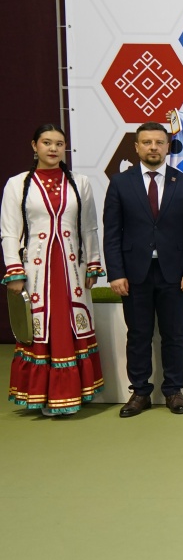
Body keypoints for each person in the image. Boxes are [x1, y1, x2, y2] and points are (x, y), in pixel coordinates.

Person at [2, 124, 105, 416]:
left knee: (72, 324)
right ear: (34, 146)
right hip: (36, 272)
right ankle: (44, 395)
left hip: (72, 269)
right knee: (41, 328)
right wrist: (13, 271)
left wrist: (93, 262)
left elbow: (89, 227)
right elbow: (9, 231)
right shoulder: (18, 184)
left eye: (59, 143)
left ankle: (73, 393)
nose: (53, 148)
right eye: (47, 142)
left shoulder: (80, 183)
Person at [102, 121, 183, 416]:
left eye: (159, 142)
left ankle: (173, 391)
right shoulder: (120, 183)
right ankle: (140, 393)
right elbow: (112, 233)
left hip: (175, 274)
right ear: (136, 147)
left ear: (167, 147)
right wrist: (116, 273)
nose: (153, 147)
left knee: (174, 335)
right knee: (138, 335)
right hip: (134, 274)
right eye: (147, 142)